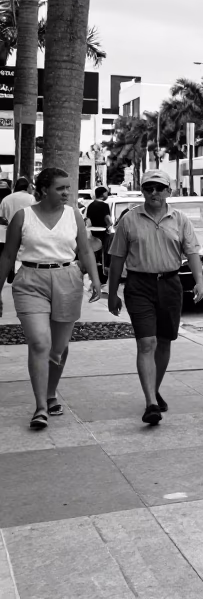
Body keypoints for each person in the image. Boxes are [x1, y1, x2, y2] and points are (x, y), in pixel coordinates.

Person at [0, 168, 102, 429]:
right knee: (39, 343)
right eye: (61, 188)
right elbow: (7, 256)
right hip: (30, 282)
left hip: (67, 279)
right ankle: (41, 407)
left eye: (68, 187)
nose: (67, 192)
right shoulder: (23, 217)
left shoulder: (74, 215)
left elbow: (86, 250)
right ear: (44, 190)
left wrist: (96, 279)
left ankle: (51, 391)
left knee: (58, 348)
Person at [108, 170, 203, 424]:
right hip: (139, 285)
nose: (154, 193)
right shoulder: (129, 220)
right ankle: (151, 402)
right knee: (146, 342)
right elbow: (117, 257)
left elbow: (192, 252)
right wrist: (112, 293)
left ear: (168, 192)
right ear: (142, 191)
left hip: (171, 283)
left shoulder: (180, 219)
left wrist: (199, 282)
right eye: (149, 188)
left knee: (164, 341)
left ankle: (154, 390)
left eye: (159, 188)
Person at [0, 178, 37, 284]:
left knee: (8, 255)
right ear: (28, 187)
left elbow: (1, 217)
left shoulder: (6, 199)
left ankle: (10, 272)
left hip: (8, 233)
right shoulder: (31, 199)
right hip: (27, 232)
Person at [85, 186, 113, 283]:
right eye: (106, 193)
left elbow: (88, 221)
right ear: (103, 194)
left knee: (93, 255)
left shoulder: (91, 205)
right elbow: (108, 219)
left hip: (92, 234)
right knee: (104, 255)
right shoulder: (104, 205)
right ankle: (103, 278)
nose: (107, 195)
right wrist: (110, 225)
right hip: (103, 233)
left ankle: (92, 276)